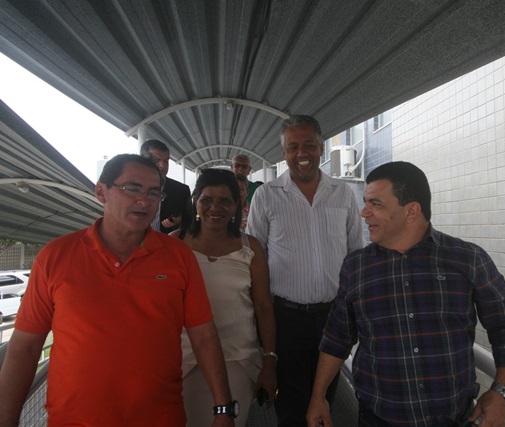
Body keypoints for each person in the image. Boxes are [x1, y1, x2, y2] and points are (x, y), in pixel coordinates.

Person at [0, 154, 236, 427]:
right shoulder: (55, 257)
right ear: (102, 192)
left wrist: (223, 409)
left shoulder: (179, 256)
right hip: (73, 420)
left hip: (160, 418)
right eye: (132, 188)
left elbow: (204, 335)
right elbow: (25, 347)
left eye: (154, 193)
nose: (144, 201)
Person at [307, 161, 505, 427]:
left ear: (411, 211)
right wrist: (318, 396)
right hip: (377, 419)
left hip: (456, 419)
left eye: (375, 204)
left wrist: (502, 392)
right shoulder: (356, 267)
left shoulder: (467, 259)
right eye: (365, 202)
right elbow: (337, 338)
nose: (363, 213)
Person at [246, 115, 364, 426]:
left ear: (321, 148)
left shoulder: (343, 193)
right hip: (285, 319)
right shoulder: (266, 195)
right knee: (290, 405)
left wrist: (355, 313)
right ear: (283, 152)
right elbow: (254, 260)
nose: (301, 153)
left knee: (326, 399)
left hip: (334, 318)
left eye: (309, 145)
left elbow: (356, 256)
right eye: (293, 147)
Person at [171, 168, 277, 426]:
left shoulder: (250, 247)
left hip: (237, 359)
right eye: (207, 199)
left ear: (237, 205)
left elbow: (263, 306)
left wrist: (269, 361)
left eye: (225, 201)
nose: (215, 208)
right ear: (196, 201)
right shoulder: (175, 244)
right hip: (183, 359)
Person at [141, 139, 192, 233]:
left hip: (167, 240)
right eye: (156, 160)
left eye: (166, 161)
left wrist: (177, 225)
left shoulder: (181, 191)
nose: (163, 165)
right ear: (143, 161)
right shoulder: (129, 188)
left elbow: (190, 223)